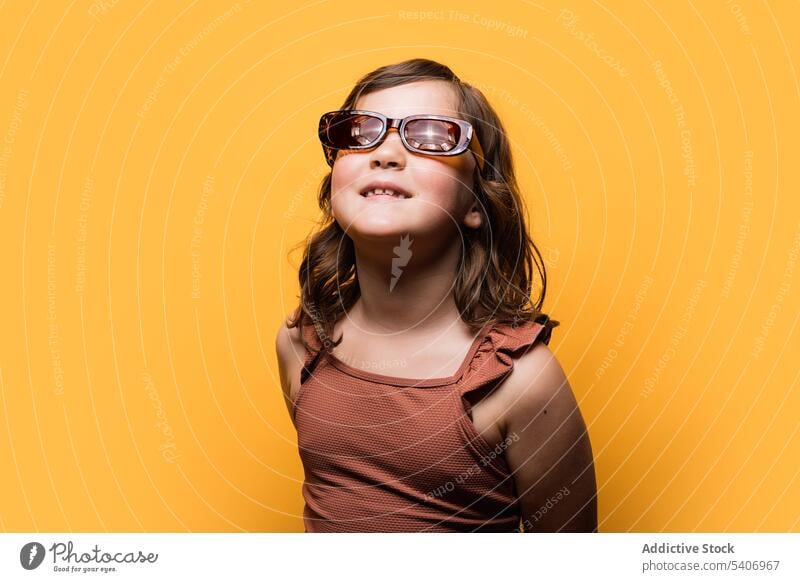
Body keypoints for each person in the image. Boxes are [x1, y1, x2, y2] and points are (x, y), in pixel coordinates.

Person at [276, 58, 597, 532]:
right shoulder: (301, 345)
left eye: (430, 138)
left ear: (475, 203)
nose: (385, 153)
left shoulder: (520, 383)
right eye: (360, 132)